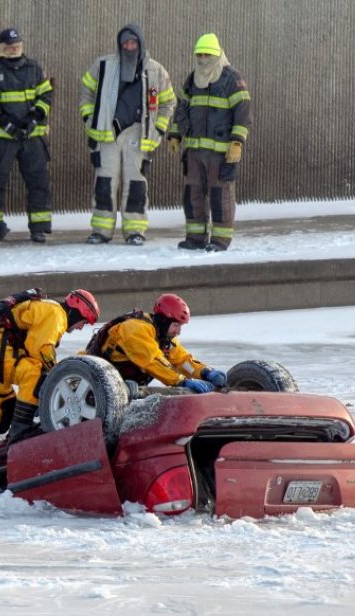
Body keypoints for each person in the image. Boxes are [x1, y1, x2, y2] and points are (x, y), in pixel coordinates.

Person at [0, 289, 101, 448]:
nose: (80, 328)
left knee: (1, 404)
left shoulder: (48, 309)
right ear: (78, 313)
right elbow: (39, 348)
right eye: (84, 322)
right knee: (35, 373)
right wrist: (58, 375)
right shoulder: (56, 313)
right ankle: (19, 434)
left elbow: (34, 346)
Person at [79, 23, 175, 246]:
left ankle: (135, 231)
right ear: (119, 44)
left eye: (133, 43)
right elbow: (86, 95)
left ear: (140, 44)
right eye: (125, 43)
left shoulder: (156, 71)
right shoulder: (103, 66)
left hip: (138, 135)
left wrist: (158, 130)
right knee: (104, 183)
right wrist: (90, 120)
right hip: (106, 133)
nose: (129, 47)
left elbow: (168, 103)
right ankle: (101, 230)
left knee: (135, 184)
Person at [168, 33, 252, 252]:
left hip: (221, 153)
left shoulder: (231, 79)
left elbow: (243, 112)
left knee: (220, 195)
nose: (203, 59)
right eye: (200, 54)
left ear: (218, 55)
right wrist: (175, 134)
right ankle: (195, 237)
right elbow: (182, 109)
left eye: (208, 54)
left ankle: (220, 240)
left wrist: (237, 142)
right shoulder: (192, 79)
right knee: (193, 194)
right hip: (195, 152)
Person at [0, 28, 54, 243]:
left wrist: (35, 117)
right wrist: (3, 121)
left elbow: (46, 95)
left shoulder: (35, 68)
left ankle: (39, 226)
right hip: (0, 137)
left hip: (31, 136)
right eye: (9, 47)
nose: (13, 50)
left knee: (38, 180)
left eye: (17, 46)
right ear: (1, 48)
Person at [87, 293, 227, 393]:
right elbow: (152, 360)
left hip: (121, 385)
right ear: (164, 320)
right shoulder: (135, 329)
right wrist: (181, 381)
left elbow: (182, 361)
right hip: (93, 382)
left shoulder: (163, 336)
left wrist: (206, 373)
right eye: (176, 326)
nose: (178, 332)